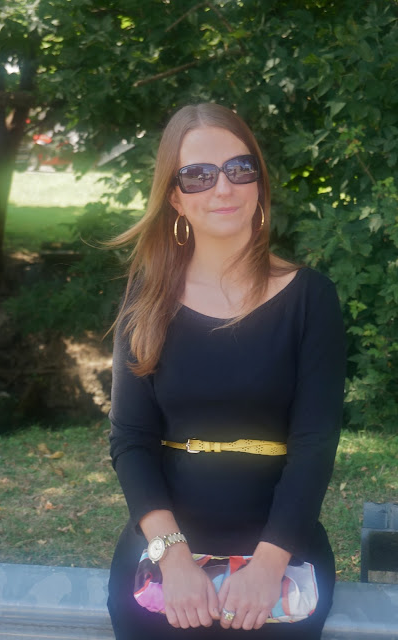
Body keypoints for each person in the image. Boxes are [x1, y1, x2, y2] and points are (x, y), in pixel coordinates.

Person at [107, 103, 346, 639]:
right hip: (165, 554)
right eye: (198, 175)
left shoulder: (311, 298)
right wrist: (174, 560)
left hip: (283, 554)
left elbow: (315, 444)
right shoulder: (146, 301)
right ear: (174, 197)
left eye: (240, 169)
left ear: (259, 182)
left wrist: (266, 567)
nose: (223, 188)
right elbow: (130, 440)